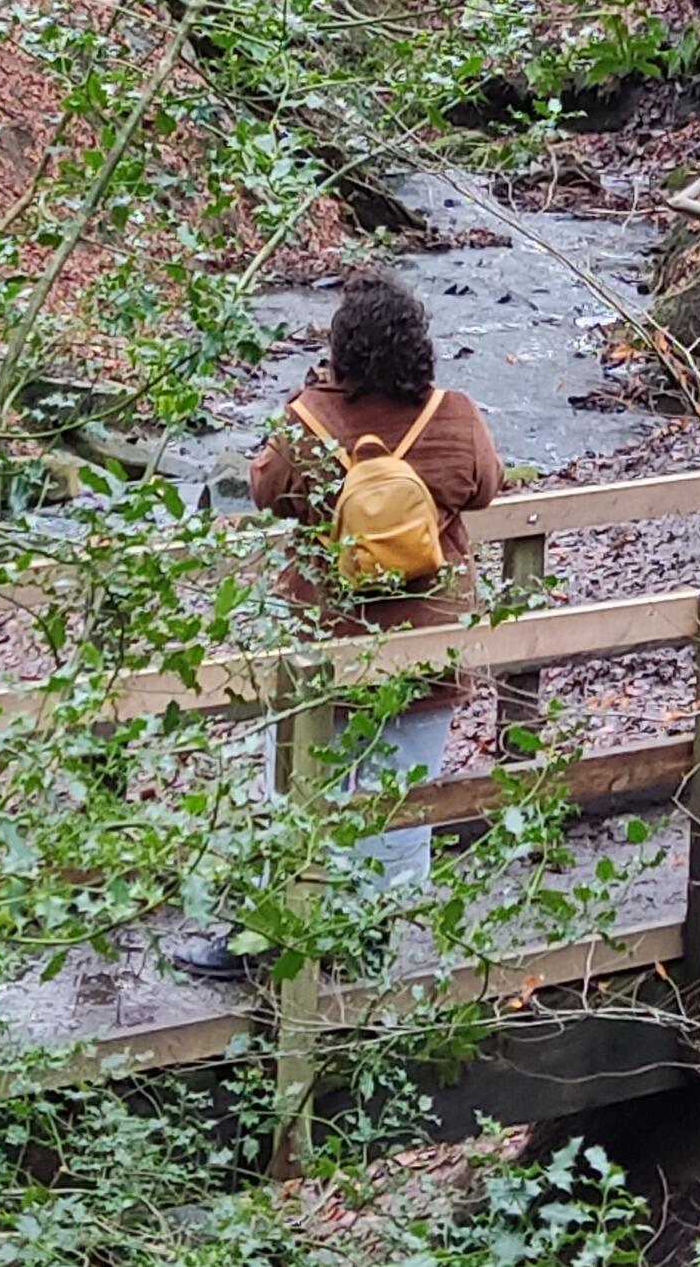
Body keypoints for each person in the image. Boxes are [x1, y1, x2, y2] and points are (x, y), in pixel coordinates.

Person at [174, 268, 504, 981]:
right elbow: (484, 488)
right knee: (402, 802)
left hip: (323, 640)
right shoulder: (454, 416)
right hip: (425, 640)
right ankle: (373, 951)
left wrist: (311, 394)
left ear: (340, 352)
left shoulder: (310, 421)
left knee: (294, 794)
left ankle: (269, 940)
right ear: (420, 346)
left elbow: (264, 490)